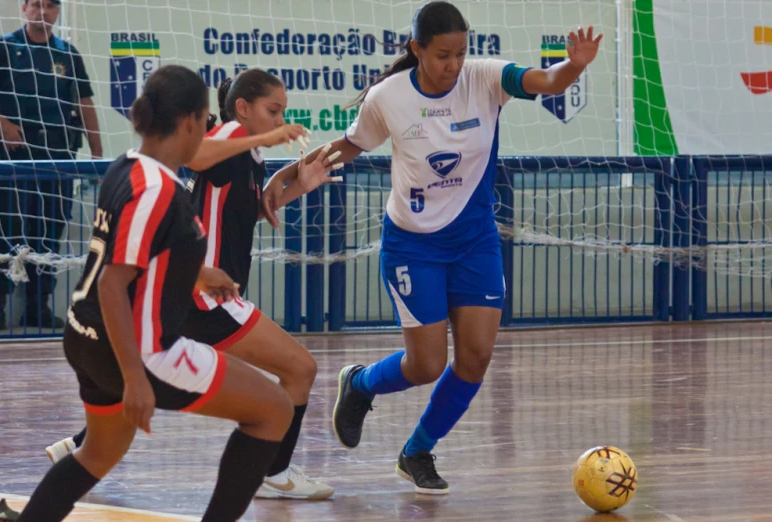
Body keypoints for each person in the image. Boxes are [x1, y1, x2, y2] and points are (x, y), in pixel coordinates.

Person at [263, 1, 603, 494]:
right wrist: (284, 180)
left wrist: (574, 65)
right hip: (413, 246)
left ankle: (418, 450)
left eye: (461, 53)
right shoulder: (388, 98)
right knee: (426, 365)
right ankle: (359, 384)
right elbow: (345, 147)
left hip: (475, 241)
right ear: (416, 49)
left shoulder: (486, 79)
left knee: (476, 357)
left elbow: (548, 83)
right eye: (443, 55)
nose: (454, 65)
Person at [44, 68, 342, 500]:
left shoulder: (244, 154)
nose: (281, 121)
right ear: (241, 108)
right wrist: (261, 139)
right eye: (273, 111)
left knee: (149, 377)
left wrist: (299, 185)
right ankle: (275, 472)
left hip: (191, 288)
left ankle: (76, 446)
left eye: (284, 112)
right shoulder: (232, 138)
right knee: (300, 369)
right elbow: (198, 155)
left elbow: (247, 211)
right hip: (210, 296)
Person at [0, 0, 103, 332]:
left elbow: (84, 103)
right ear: (23, 9)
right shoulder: (2, 48)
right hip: (16, 160)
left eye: (50, 6)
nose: (43, 12)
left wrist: (97, 153)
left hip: (59, 160)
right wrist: (1, 123)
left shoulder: (67, 54)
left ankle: (38, 307)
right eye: (36, 5)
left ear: (57, 12)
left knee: (50, 232)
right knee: (9, 231)